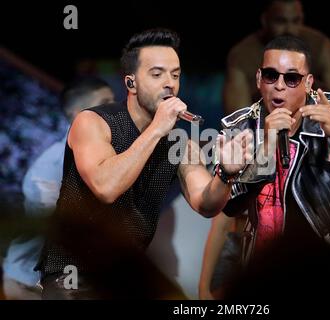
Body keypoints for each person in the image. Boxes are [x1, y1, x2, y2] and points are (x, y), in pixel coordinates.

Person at [35, 28, 252, 299]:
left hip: (125, 277)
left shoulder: (179, 142)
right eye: (157, 74)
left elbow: (205, 204)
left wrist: (225, 174)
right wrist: (157, 129)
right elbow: (106, 187)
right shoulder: (93, 122)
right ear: (130, 83)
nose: (169, 83)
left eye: (175, 74)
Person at [216, 35, 330, 297]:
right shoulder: (240, 127)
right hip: (273, 270)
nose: (279, 86)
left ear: (308, 82)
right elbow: (230, 205)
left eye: (292, 78)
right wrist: (267, 145)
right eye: (271, 76)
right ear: (258, 79)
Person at [1, 77, 114, 300]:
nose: (115, 108)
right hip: (29, 285)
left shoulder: (104, 150)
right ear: (79, 113)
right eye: (105, 102)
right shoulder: (50, 168)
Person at [223, 0, 330, 115]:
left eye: (296, 21)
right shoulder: (242, 54)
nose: (289, 29)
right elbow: (238, 118)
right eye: (280, 21)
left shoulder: (321, 46)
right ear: (265, 20)